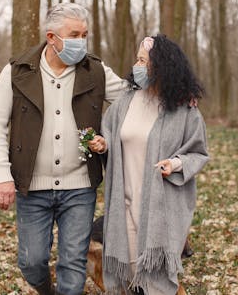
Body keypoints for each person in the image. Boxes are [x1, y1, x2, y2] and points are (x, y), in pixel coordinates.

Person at [0, 3, 127, 295]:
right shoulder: (17, 72)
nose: (81, 41)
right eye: (74, 34)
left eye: (84, 34)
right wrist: (1, 175)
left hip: (80, 185)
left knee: (73, 263)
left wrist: (176, 92)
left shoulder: (95, 71)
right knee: (31, 261)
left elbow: (132, 99)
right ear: (51, 37)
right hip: (32, 186)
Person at [88, 35, 209, 295]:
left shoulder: (184, 109)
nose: (137, 66)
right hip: (125, 203)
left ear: (162, 66)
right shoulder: (125, 101)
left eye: (143, 61)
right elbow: (111, 133)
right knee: (131, 271)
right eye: (137, 60)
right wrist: (103, 144)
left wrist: (175, 164)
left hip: (161, 207)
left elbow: (199, 152)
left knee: (156, 278)